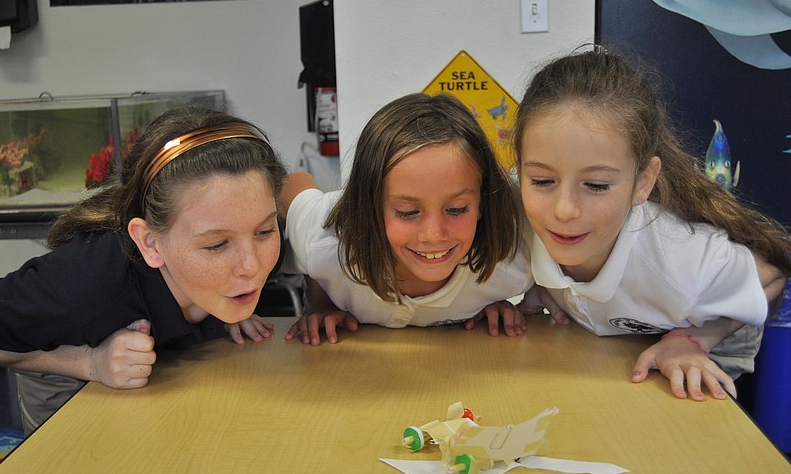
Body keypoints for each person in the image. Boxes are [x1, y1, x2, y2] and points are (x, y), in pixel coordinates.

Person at [0, 106, 285, 434]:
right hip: (73, 390)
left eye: (263, 231)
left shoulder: (255, 242)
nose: (252, 266)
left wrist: (228, 305)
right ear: (150, 243)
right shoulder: (86, 285)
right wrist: (90, 362)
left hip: (167, 376)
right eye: (216, 245)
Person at [513, 46, 790, 401]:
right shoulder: (516, 215)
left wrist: (692, 339)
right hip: (615, 336)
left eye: (596, 185)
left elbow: (774, 272)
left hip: (699, 331)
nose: (564, 210)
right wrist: (533, 290)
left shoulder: (682, 260)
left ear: (643, 182)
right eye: (541, 181)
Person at [282, 92, 533, 345]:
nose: (434, 235)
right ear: (369, 207)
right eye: (407, 212)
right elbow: (292, 183)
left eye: (456, 209)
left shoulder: (515, 259)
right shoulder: (327, 241)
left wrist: (493, 299)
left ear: (483, 202)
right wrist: (322, 303)